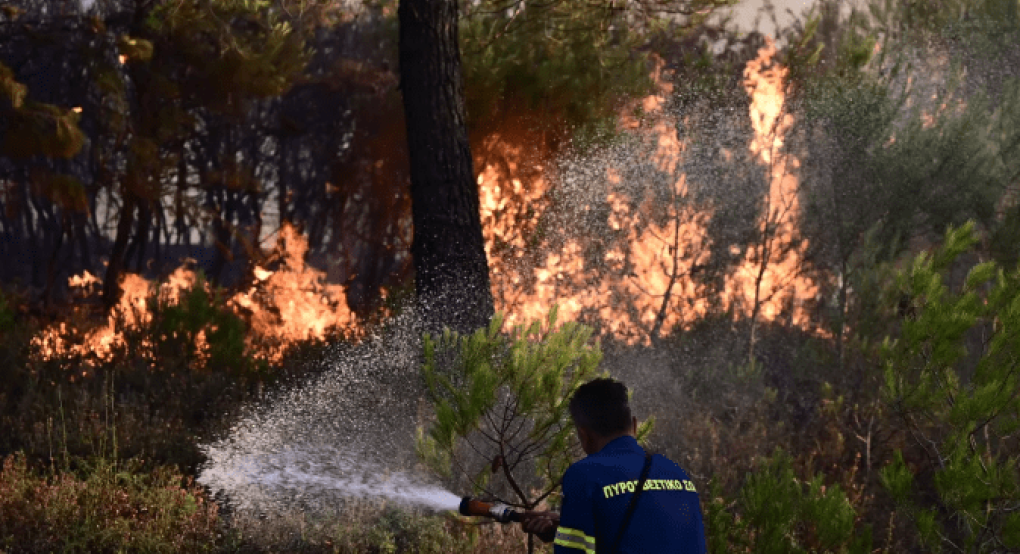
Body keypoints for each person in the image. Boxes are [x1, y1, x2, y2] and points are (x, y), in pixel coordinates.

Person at [520, 378, 707, 554]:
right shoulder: (678, 474)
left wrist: (562, 537)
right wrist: (566, 526)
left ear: (584, 435)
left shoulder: (584, 476)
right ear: (634, 424)